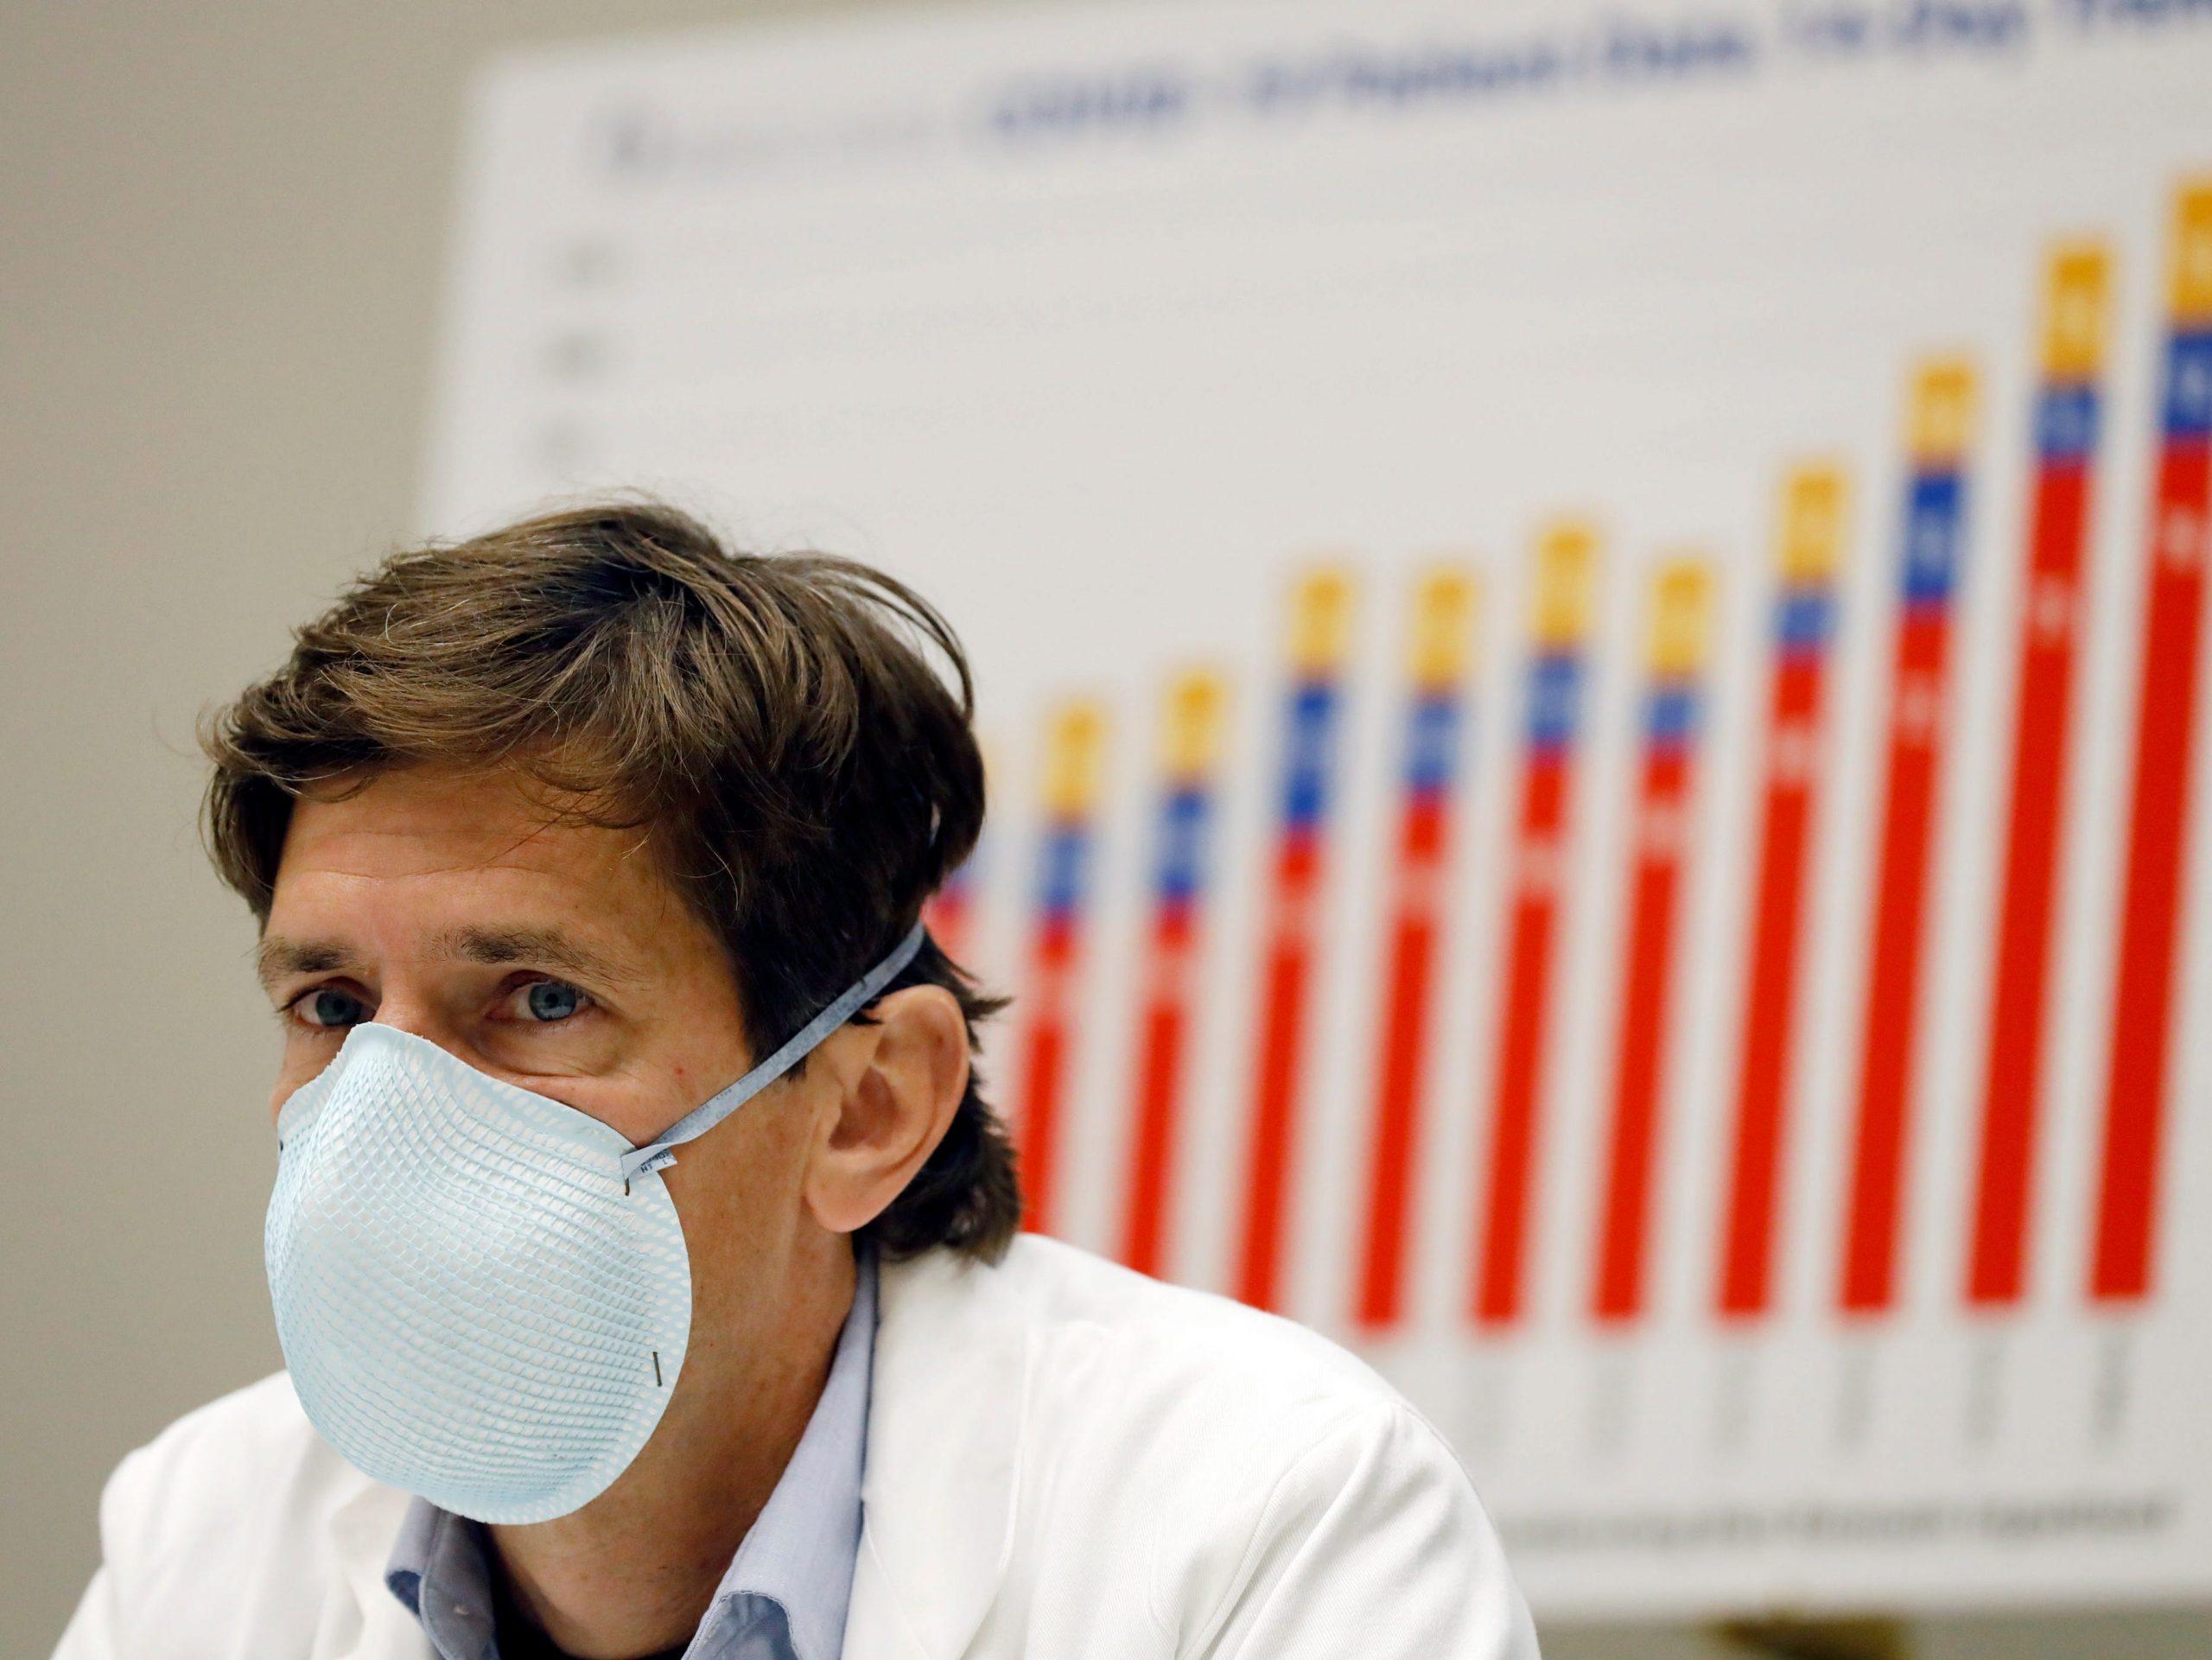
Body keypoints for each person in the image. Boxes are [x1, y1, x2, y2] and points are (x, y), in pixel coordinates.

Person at [54, 503, 1536, 1660]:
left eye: (540, 999)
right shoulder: (211, 1530)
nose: (389, 1108)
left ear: (868, 1106)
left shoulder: (1262, 1514)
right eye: (330, 1004)